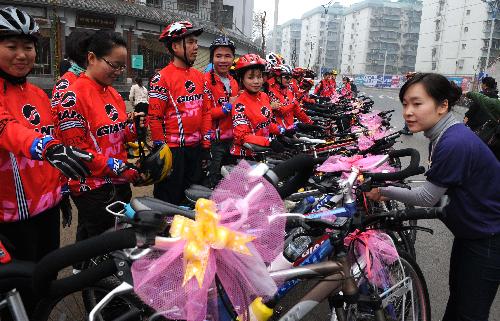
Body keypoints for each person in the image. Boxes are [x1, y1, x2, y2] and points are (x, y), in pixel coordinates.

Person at [365, 73, 500, 321]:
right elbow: (441, 194)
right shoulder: (441, 136)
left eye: (417, 103)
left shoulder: (454, 142)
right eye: (405, 103)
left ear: (443, 105)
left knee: (470, 312)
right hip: (473, 233)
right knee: (459, 301)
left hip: (489, 238)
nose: (407, 111)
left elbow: (427, 196)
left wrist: (382, 190)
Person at [0, 6, 93, 263]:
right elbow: (7, 129)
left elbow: (56, 141)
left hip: (47, 212)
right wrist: (48, 148)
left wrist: (61, 190)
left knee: (46, 288)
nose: (21, 55)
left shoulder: (40, 94)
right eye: (11, 46)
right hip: (12, 221)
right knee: (20, 296)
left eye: (28, 47)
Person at [55, 30, 144, 245]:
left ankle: (86, 272)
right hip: (93, 188)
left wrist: (136, 126)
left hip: (119, 181)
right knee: (98, 244)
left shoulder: (112, 93)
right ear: (92, 58)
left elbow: (121, 134)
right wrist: (119, 167)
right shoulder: (72, 98)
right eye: (113, 65)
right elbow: (76, 152)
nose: (118, 72)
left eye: (122, 67)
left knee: (115, 238)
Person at [149, 20, 211, 204]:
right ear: (175, 46)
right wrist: (162, 153)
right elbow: (154, 118)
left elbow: (206, 112)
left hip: (196, 150)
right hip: (174, 152)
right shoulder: (161, 78)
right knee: (169, 202)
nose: (196, 47)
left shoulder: (200, 77)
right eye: (190, 42)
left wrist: (206, 145)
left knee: (194, 202)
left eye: (196, 42)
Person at [231, 54, 285, 158]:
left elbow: (266, 123)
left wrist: (282, 130)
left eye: (259, 76)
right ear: (242, 79)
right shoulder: (239, 105)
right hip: (244, 156)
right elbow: (241, 137)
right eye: (250, 77)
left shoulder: (264, 96)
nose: (256, 81)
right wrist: (269, 142)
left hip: (262, 153)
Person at [205, 35, 238, 187]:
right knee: (213, 181)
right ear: (212, 58)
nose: (223, 60)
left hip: (233, 140)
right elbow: (205, 114)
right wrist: (228, 107)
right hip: (214, 142)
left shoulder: (234, 81)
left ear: (233, 58)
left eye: (227, 56)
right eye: (218, 56)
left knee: (229, 180)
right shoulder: (204, 80)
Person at [267, 64, 312, 129]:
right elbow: (282, 110)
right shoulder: (270, 90)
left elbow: (297, 110)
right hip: (277, 131)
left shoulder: (289, 90)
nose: (289, 80)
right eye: (286, 77)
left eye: (290, 77)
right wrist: (293, 103)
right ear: (278, 78)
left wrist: (309, 122)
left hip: (289, 128)